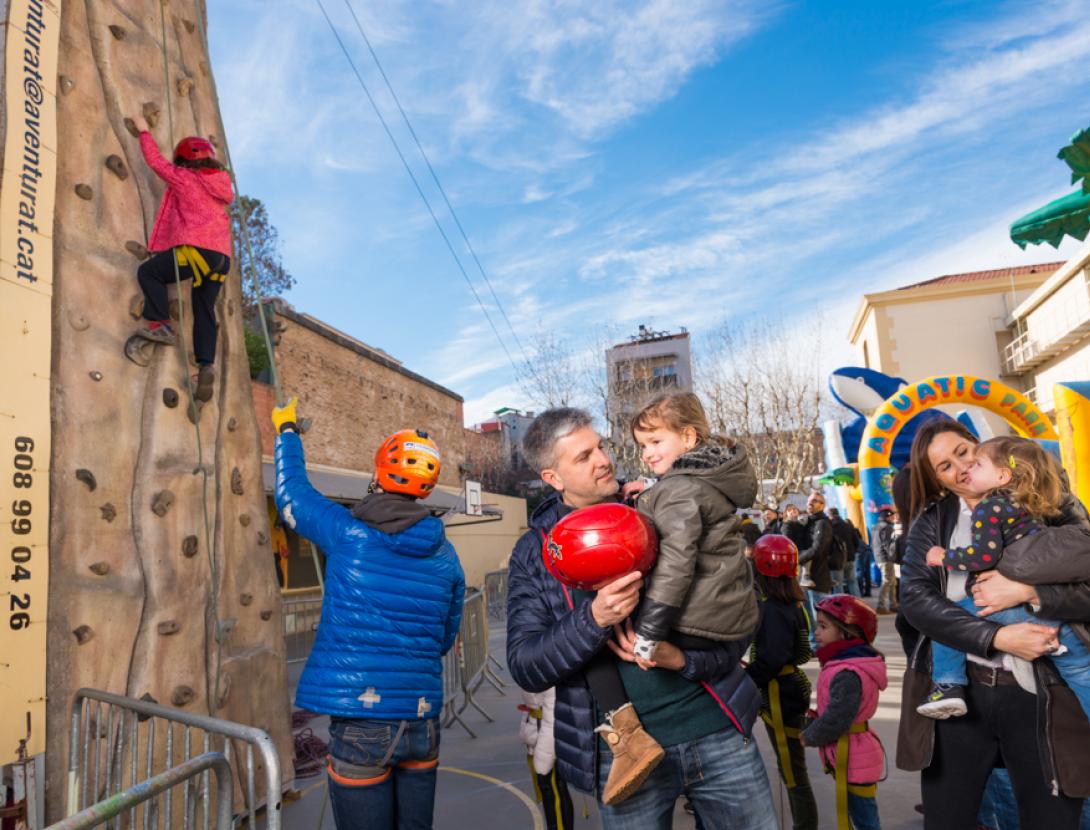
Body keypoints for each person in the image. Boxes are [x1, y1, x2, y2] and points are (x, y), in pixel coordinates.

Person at [506, 407, 777, 830]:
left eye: (600, 446)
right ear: (552, 479)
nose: (603, 459)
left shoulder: (663, 504)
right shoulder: (536, 551)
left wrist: (683, 660)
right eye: (583, 457)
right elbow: (526, 664)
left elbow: (738, 614)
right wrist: (593, 619)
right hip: (623, 757)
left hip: (716, 731)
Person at [271, 399, 465, 829]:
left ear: (379, 473)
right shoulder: (445, 554)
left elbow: (292, 495)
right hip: (421, 720)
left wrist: (287, 432)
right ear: (426, 489)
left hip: (362, 721)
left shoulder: (348, 533)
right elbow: (447, 634)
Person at [898, 419, 1090, 830]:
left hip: (1043, 692)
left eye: (964, 451)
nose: (961, 467)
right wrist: (998, 636)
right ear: (939, 482)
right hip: (961, 694)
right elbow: (915, 600)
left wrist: (1030, 595)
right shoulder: (932, 522)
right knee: (948, 818)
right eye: (945, 466)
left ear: (981, 446)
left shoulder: (1050, 504)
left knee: (1050, 818)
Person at [918, 436, 1090, 720]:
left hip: (1016, 610)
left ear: (1002, 474)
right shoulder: (1027, 502)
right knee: (1081, 670)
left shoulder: (989, 507)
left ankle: (949, 684)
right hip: (1059, 620)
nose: (967, 468)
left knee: (951, 619)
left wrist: (944, 557)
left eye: (973, 461)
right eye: (946, 465)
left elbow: (983, 556)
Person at [129, 115, 234, 402]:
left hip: (195, 250)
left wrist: (144, 131)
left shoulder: (186, 178)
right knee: (204, 309)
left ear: (184, 160)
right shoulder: (220, 189)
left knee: (149, 273)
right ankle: (205, 365)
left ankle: (161, 324)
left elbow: (156, 163)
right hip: (220, 259)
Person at [747, 535, 818, 830]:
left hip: (779, 693)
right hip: (789, 686)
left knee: (792, 772)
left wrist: (744, 680)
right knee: (791, 767)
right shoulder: (795, 603)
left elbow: (772, 658)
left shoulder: (772, 608)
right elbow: (802, 651)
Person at [801, 595, 886, 830]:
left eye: (823, 626)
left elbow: (838, 717)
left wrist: (809, 736)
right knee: (860, 814)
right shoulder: (844, 663)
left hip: (854, 756)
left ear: (847, 633)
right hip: (852, 753)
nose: (816, 632)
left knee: (864, 819)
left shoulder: (848, 672)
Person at [519, 687, 574, 830]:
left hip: (549, 731)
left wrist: (544, 756)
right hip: (540, 728)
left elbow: (552, 712)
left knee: (553, 786)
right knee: (552, 787)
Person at [798, 492, 834, 647]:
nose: (810, 503)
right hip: (805, 578)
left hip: (818, 577)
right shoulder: (807, 523)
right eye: (809, 501)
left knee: (820, 616)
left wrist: (798, 558)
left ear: (822, 505)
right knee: (808, 615)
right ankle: (814, 644)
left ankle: (823, 645)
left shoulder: (822, 524)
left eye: (814, 501)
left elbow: (818, 548)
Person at [829, 508, 861, 597]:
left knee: (838, 585)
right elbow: (857, 541)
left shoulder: (830, 527)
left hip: (837, 560)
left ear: (830, 515)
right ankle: (858, 604)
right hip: (850, 558)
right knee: (852, 582)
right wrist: (852, 552)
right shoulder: (848, 525)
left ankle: (840, 608)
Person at [872, 508, 897, 614]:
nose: (893, 518)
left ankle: (893, 604)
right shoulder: (887, 527)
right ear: (887, 516)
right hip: (886, 557)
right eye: (891, 516)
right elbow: (888, 545)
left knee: (891, 581)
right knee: (887, 581)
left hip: (879, 557)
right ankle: (881, 605)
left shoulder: (875, 527)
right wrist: (894, 556)